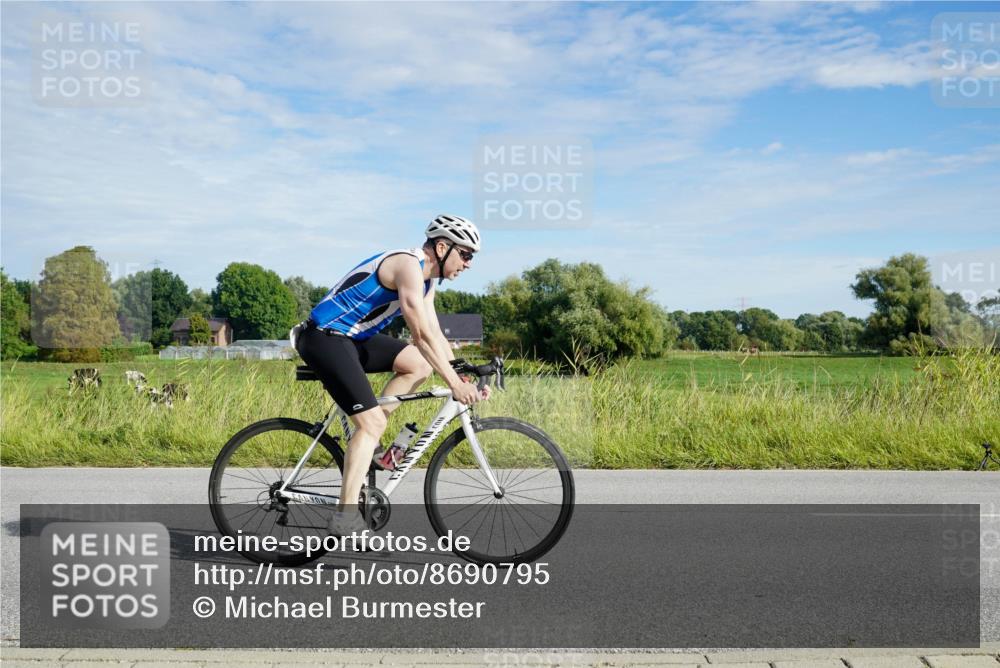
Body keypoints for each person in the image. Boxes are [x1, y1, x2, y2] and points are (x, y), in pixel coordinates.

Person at [293, 215, 487, 538]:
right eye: (465, 254)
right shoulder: (408, 266)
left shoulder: (428, 279)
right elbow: (421, 336)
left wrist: (461, 376)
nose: (468, 263)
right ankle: (345, 515)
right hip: (324, 337)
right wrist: (452, 383)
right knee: (372, 423)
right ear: (442, 247)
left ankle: (368, 439)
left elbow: (436, 332)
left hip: (351, 339)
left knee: (419, 366)